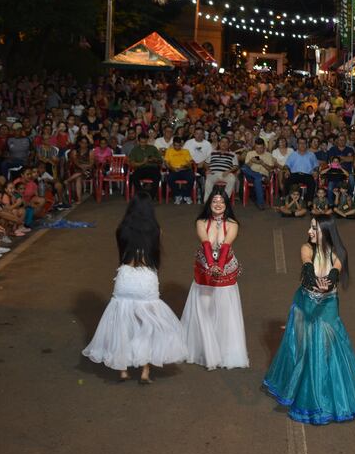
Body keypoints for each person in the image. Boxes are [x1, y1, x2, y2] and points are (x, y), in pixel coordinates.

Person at [263, 215, 355, 424]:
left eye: (314, 228)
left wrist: (329, 282)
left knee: (325, 350)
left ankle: (325, 399)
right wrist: (311, 277)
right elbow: (306, 265)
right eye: (310, 227)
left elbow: (334, 272)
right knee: (303, 349)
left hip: (327, 307)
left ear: (326, 231)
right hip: (305, 304)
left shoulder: (339, 253)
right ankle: (300, 390)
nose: (310, 231)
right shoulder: (307, 248)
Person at [82, 193, 188, 383]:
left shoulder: (121, 229)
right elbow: (155, 258)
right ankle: (145, 372)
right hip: (146, 277)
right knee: (146, 327)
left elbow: (121, 255)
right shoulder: (156, 230)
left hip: (126, 277)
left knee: (122, 324)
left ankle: (123, 370)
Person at [180, 187, 249, 370]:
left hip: (226, 271)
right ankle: (205, 350)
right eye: (214, 201)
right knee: (204, 310)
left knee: (225, 312)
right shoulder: (201, 222)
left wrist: (218, 268)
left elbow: (226, 245)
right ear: (209, 204)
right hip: (205, 271)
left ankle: (225, 351)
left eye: (221, 201)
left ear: (226, 205)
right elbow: (205, 243)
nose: (218, 204)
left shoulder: (233, 223)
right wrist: (211, 266)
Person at [128, 132, 163, 198]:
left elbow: (160, 161)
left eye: (145, 142)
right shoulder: (135, 150)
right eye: (141, 142)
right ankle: (142, 193)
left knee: (157, 176)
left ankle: (151, 195)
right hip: (140, 168)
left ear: (147, 141)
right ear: (138, 141)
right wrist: (143, 162)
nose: (143, 144)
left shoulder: (152, 148)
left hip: (152, 168)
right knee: (134, 177)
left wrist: (154, 159)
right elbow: (132, 163)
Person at [164, 136, 195, 205]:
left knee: (191, 177)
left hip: (185, 170)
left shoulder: (185, 151)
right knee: (169, 178)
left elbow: (190, 164)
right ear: (173, 144)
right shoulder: (169, 151)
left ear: (181, 144)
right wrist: (172, 168)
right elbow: (166, 163)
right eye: (175, 145)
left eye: (179, 145)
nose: (177, 147)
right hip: (173, 170)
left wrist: (183, 167)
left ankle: (187, 195)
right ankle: (177, 195)